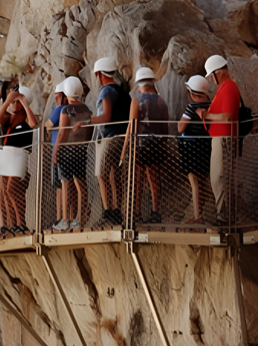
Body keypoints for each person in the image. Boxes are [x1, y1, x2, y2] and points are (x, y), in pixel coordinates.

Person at [75, 57, 130, 227]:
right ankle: (117, 211)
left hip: (109, 137)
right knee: (115, 175)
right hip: (122, 137)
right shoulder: (122, 92)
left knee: (102, 174)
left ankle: (108, 212)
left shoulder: (106, 92)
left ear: (99, 74)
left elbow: (106, 116)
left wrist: (87, 122)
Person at [123, 67, 170, 224]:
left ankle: (136, 212)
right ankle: (155, 212)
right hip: (157, 144)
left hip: (141, 144)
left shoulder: (136, 100)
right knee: (155, 179)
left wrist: (125, 148)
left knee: (138, 179)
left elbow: (132, 124)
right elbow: (166, 123)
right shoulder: (161, 100)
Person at [0, 84, 39, 234]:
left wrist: (24, 101)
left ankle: (21, 223)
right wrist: (8, 100)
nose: (13, 104)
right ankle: (13, 225)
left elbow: (34, 123)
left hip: (19, 155)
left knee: (13, 189)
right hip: (5, 154)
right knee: (5, 190)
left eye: (16, 101)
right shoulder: (8, 117)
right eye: (13, 102)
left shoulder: (26, 117)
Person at [51, 76, 93, 230]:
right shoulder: (87, 110)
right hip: (81, 151)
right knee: (82, 185)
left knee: (66, 184)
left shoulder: (65, 110)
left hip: (67, 152)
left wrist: (56, 151)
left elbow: (62, 133)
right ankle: (80, 219)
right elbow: (89, 131)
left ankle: (65, 220)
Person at [202, 54, 241, 216]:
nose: (211, 78)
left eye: (212, 75)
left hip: (223, 139)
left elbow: (228, 116)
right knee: (219, 177)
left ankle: (224, 215)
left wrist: (207, 116)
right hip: (221, 138)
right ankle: (224, 213)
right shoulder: (225, 87)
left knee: (219, 177)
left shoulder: (229, 87)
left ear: (219, 72)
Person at [178, 75, 213, 224]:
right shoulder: (211, 105)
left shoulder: (191, 107)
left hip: (192, 150)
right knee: (203, 183)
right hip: (207, 149)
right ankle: (201, 214)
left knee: (194, 183)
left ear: (192, 93)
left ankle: (197, 216)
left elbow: (180, 127)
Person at [45, 81, 68, 228]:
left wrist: (48, 131)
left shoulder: (60, 108)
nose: (55, 99)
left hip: (58, 151)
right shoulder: (68, 108)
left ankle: (62, 217)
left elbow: (48, 124)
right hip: (66, 150)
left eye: (57, 96)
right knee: (61, 185)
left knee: (61, 186)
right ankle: (61, 217)